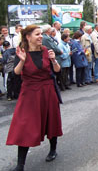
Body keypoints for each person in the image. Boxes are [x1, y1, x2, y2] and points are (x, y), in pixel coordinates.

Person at [6, 25, 63, 171]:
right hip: (29, 93)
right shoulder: (21, 51)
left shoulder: (45, 51)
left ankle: (53, 150)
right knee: (25, 125)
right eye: (37, 34)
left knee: (51, 120)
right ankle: (20, 165)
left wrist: (54, 60)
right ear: (28, 36)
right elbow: (16, 73)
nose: (40, 37)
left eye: (41, 34)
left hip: (47, 90)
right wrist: (23, 60)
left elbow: (57, 70)